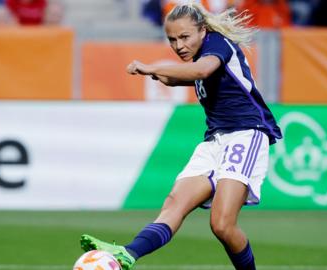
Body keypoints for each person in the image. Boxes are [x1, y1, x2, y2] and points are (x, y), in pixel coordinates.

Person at [79, 3, 282, 270]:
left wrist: (151, 67)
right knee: (174, 203)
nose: (178, 45)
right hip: (214, 142)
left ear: (203, 30)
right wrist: (163, 75)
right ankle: (128, 253)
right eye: (172, 39)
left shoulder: (217, 44)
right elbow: (188, 77)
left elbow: (201, 72)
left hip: (245, 134)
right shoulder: (201, 57)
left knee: (222, 224)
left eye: (184, 37)